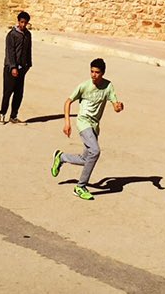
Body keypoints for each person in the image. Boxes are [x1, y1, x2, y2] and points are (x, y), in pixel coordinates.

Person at [50, 58, 124, 201]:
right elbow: (68, 102)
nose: (93, 75)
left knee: (86, 159)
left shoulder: (108, 87)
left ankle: (61, 157)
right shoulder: (84, 86)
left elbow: (115, 106)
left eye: (97, 72)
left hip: (95, 126)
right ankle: (80, 187)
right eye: (91, 71)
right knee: (95, 151)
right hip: (83, 123)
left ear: (102, 73)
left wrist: (119, 107)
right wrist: (67, 123)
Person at [0, 10, 32, 124]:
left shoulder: (28, 35)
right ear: (18, 21)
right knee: (8, 92)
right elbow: (10, 52)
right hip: (10, 69)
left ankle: (13, 116)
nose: (23, 25)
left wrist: (29, 64)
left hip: (22, 68)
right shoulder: (11, 35)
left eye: (25, 23)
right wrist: (13, 67)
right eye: (21, 22)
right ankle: (2, 114)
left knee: (19, 93)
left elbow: (28, 51)